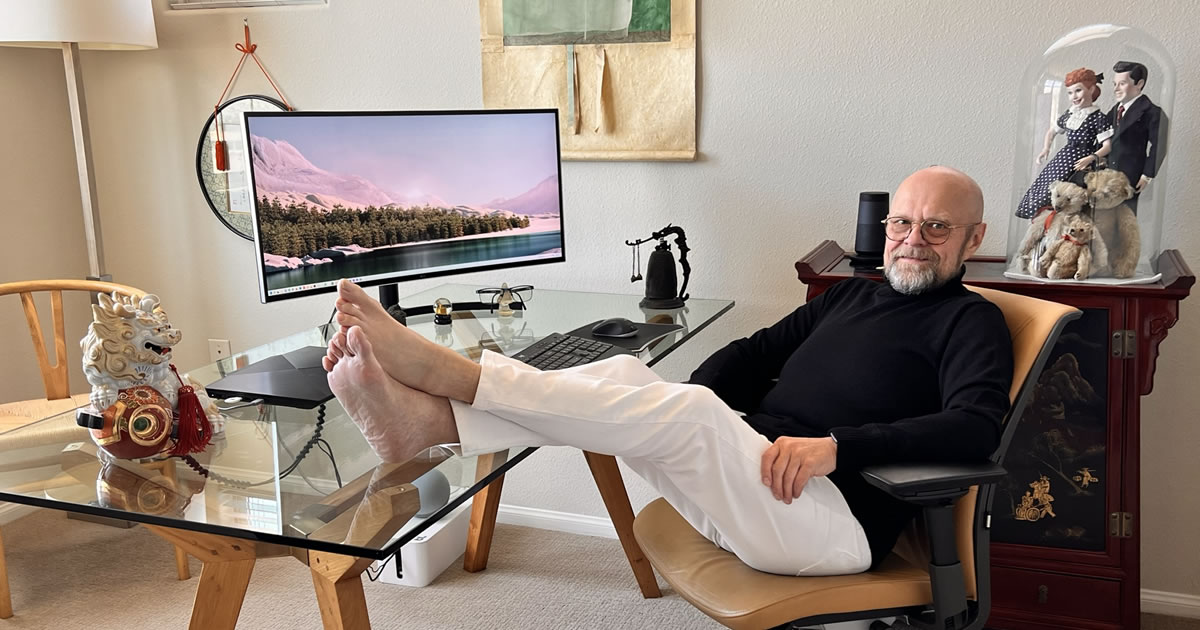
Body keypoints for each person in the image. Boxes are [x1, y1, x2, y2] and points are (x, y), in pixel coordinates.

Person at [323, 166, 1013, 577]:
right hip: (752, 487)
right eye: (901, 223)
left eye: (936, 227)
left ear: (974, 238)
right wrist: (672, 406)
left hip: (832, 523)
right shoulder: (850, 296)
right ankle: (434, 422)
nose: (912, 240)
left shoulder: (971, 321)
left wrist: (838, 448)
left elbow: (976, 426)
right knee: (630, 375)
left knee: (685, 409)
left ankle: (452, 380)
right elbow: (753, 354)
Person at [1016, 68, 1113, 219]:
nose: (1074, 96)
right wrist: (1046, 148)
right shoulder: (1070, 113)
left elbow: (1107, 146)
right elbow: (1051, 131)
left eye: (1078, 91)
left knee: (1070, 191)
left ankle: (1065, 219)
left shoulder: (1098, 117)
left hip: (1083, 159)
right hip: (1065, 156)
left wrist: (1090, 158)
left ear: (1091, 89)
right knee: (1048, 184)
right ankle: (1040, 217)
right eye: (1070, 93)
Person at [1106, 60, 1168, 212]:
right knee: (1105, 214)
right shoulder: (1115, 110)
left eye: (1122, 84)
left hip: (1131, 174)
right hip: (1107, 174)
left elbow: (1159, 146)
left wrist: (1147, 175)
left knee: (1126, 215)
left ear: (1139, 84)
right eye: (1115, 84)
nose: (1116, 89)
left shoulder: (1152, 112)